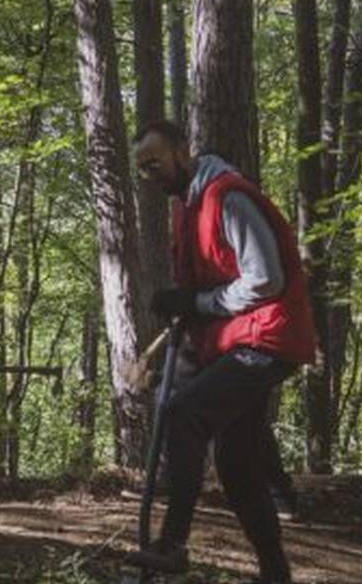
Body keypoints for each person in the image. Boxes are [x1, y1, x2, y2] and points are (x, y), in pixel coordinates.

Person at [129, 121, 315, 584]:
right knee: (236, 464)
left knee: (182, 412)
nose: (150, 172)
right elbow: (210, 278)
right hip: (239, 340)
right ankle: (276, 572)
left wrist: (196, 302)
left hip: (268, 338)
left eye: (155, 161)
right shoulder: (187, 207)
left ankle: (172, 544)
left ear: (181, 151)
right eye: (143, 168)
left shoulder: (227, 196)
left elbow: (265, 279)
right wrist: (182, 301)